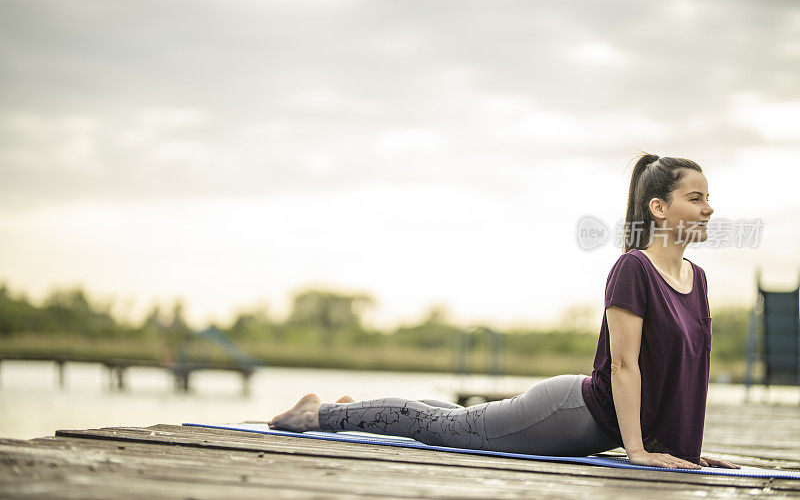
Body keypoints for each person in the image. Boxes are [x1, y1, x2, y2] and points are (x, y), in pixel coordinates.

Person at [269, 153, 740, 470]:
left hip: (589, 421)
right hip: (574, 414)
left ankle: (361, 411)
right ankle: (318, 415)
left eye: (707, 199)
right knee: (449, 429)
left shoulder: (695, 280)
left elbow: (686, 375)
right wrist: (636, 451)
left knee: (462, 419)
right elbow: (623, 365)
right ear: (658, 208)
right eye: (694, 199)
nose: (708, 210)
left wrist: (687, 454)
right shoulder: (633, 268)